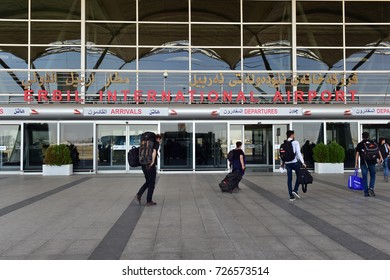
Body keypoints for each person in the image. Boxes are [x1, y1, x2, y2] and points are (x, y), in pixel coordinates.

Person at [136, 134, 162, 206]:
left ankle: (139, 194)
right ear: (158, 138)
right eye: (160, 140)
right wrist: (153, 162)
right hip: (150, 165)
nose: (160, 141)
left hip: (143, 164)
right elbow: (154, 152)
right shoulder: (155, 143)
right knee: (152, 183)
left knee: (148, 181)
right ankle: (149, 200)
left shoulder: (144, 144)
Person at [281, 130, 306, 201]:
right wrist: (303, 162)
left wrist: (283, 163)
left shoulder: (284, 143)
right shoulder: (295, 142)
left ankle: (291, 196)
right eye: (293, 135)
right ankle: (295, 190)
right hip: (294, 162)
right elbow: (298, 153)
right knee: (299, 175)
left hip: (287, 163)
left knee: (289, 179)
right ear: (292, 135)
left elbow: (282, 155)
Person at [355, 132, 383, 197]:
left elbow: (357, 155)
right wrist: (381, 158)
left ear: (362, 137)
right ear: (368, 136)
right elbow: (378, 151)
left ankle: (366, 192)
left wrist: (356, 163)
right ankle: (371, 188)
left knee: (365, 177)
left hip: (363, 163)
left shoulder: (360, 144)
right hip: (372, 162)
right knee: (373, 175)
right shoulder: (373, 143)